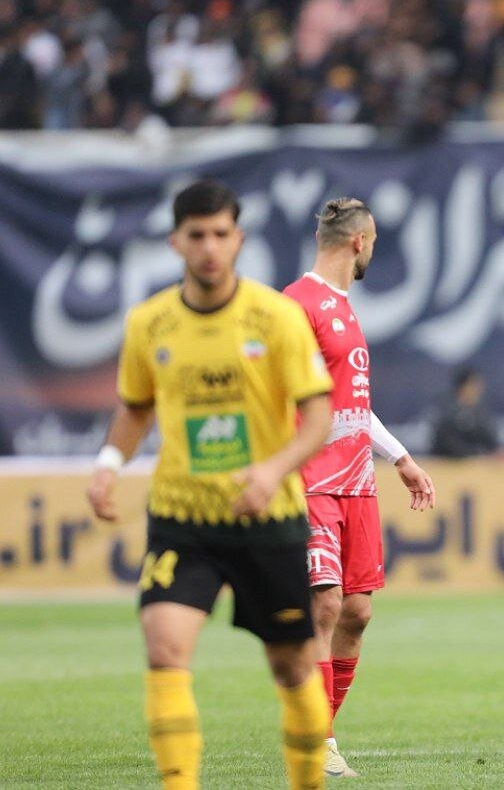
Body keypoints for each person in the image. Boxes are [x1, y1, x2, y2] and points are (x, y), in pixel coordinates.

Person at [85, 180, 334, 789]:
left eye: (220, 234)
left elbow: (318, 415)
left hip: (267, 517)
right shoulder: (150, 323)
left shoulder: (275, 318)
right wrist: (110, 462)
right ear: (176, 241)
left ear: (238, 239)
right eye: (196, 235)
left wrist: (272, 470)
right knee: (165, 649)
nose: (209, 248)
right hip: (183, 519)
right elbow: (136, 406)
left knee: (293, 666)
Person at [282, 197, 437, 778]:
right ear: (359, 241)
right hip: (310, 482)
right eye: (373, 242)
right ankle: (317, 742)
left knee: (356, 612)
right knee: (323, 604)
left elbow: (351, 404)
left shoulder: (345, 308)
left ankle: (318, 730)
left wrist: (400, 458)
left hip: (357, 482)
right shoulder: (296, 305)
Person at [430, 368, 502, 457]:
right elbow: (451, 446)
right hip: (445, 463)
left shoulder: (479, 413)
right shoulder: (446, 411)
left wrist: (497, 451)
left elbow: (488, 440)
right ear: (462, 387)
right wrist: (480, 455)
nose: (478, 391)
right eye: (474, 386)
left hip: (474, 462)